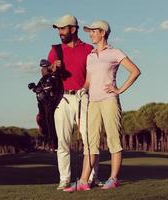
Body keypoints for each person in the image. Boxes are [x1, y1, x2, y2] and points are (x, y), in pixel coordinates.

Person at [64, 20, 141, 192]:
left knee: (113, 140)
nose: (90, 34)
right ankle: (83, 181)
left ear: (103, 32)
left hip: (109, 101)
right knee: (90, 143)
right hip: (93, 102)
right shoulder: (90, 56)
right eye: (89, 32)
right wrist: (82, 90)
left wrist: (119, 89)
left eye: (93, 31)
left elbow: (135, 71)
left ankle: (113, 179)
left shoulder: (115, 52)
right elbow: (89, 80)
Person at [47, 15, 101, 190]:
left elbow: (95, 74)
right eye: (58, 29)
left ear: (73, 29)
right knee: (62, 141)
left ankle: (90, 177)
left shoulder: (88, 49)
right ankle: (65, 179)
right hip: (61, 98)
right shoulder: (56, 49)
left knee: (89, 139)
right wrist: (52, 68)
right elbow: (45, 72)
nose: (60, 32)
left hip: (84, 97)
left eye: (63, 29)